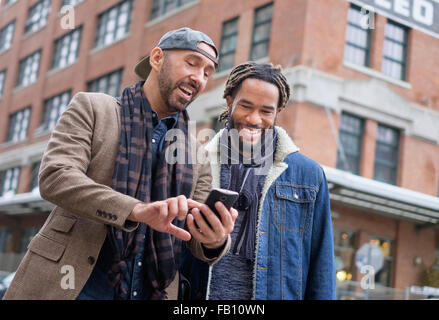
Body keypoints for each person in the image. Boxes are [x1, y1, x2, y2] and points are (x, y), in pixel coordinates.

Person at [3, 28, 237, 300]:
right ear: (157, 58)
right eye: (191, 63)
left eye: (207, 72)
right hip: (70, 287)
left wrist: (215, 239)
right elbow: (57, 177)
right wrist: (136, 210)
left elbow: (193, 239)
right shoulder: (92, 108)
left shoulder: (197, 154)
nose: (198, 77)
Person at [179, 62, 335, 300]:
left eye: (265, 111)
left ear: (277, 112)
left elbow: (321, 266)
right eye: (246, 106)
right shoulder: (195, 163)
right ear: (230, 102)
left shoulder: (309, 175)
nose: (254, 119)